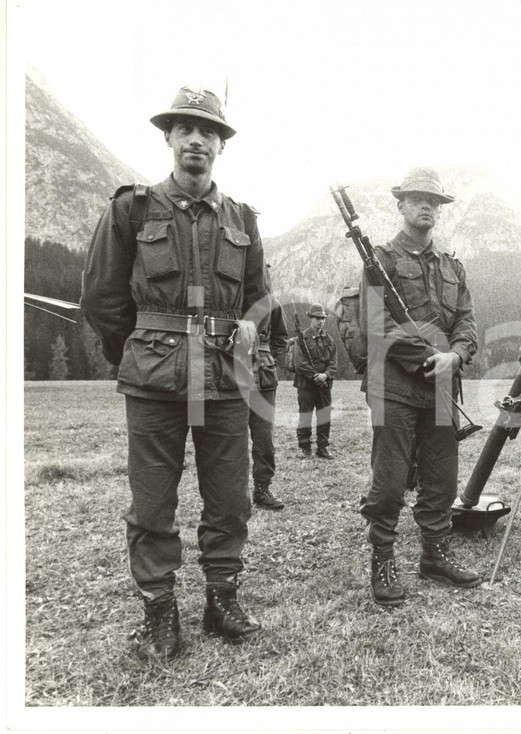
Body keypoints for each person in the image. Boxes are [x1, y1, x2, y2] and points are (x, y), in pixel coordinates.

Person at [80, 86, 267, 661]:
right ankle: (159, 611)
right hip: (155, 381)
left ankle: (221, 597)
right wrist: (142, 352)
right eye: (184, 128)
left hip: (225, 381)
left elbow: (258, 300)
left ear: (220, 145)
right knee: (153, 503)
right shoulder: (131, 209)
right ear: (168, 137)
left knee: (230, 499)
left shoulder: (241, 218)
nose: (196, 140)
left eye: (207, 131)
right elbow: (102, 300)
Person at [358, 167, 480, 607]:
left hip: (443, 385)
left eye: (434, 200)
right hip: (394, 386)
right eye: (417, 198)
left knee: (441, 480)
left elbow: (466, 320)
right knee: (390, 481)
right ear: (401, 204)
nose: (427, 205)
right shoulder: (381, 261)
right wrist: (425, 358)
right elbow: (375, 324)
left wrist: (456, 356)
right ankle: (384, 560)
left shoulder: (453, 267)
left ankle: (435, 555)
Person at [249, 277, 288, 510]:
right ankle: (230, 494)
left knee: (263, 439)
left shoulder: (273, 304)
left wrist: (267, 357)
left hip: (263, 377)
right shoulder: (229, 298)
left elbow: (281, 338)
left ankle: (262, 489)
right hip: (229, 373)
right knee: (229, 440)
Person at [292, 303, 337, 459]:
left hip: (325, 385)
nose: (320, 321)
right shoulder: (301, 339)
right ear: (310, 319)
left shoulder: (329, 338)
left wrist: (326, 374)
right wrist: (315, 376)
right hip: (306, 385)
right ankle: (304, 447)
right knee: (305, 416)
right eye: (317, 318)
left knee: (324, 416)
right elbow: (299, 363)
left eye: (323, 318)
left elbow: (334, 360)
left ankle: (323, 447)